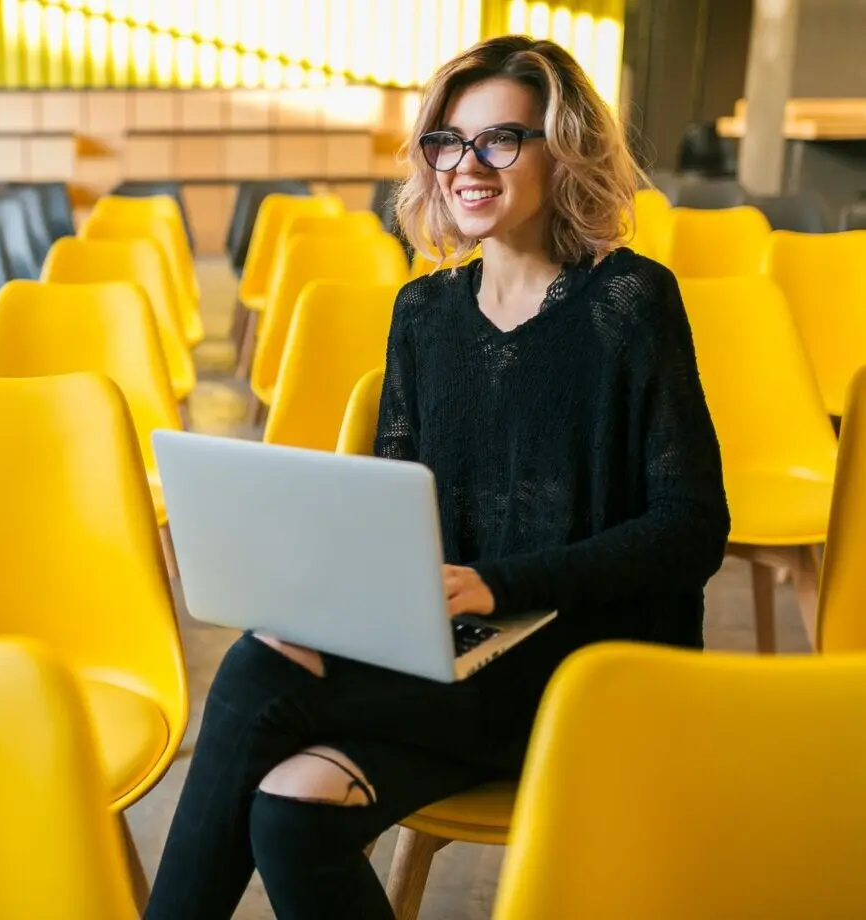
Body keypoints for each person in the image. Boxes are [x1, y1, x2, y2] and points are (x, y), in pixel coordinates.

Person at [143, 35, 731, 920]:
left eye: (501, 139)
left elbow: (691, 528)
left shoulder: (630, 303)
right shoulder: (422, 312)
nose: (469, 164)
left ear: (562, 151)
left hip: (589, 675)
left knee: (255, 679)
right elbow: (394, 517)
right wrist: (331, 606)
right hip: (458, 670)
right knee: (292, 808)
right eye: (448, 141)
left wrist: (495, 584)